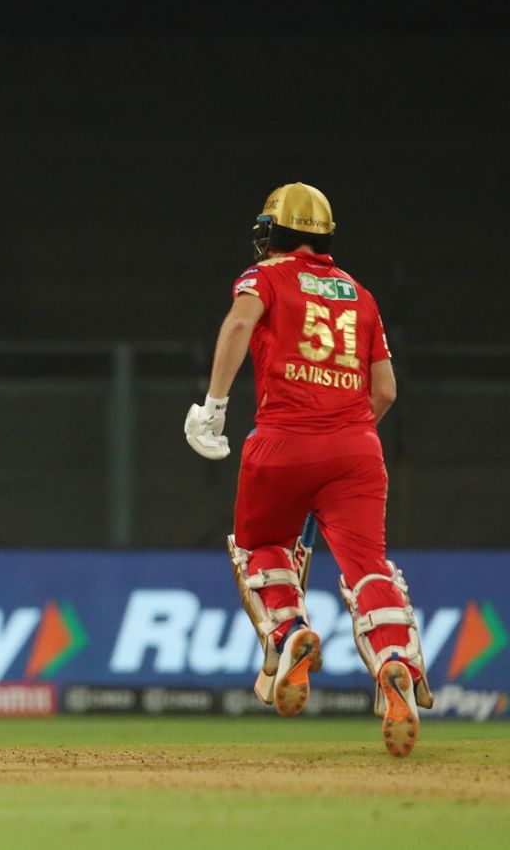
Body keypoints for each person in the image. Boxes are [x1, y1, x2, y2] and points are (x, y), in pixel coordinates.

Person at [183, 182, 432, 758]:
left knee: (263, 547)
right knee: (368, 567)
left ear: (270, 235)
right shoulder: (360, 295)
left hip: (282, 444)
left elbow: (240, 325)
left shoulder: (264, 278)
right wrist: (342, 428)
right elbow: (386, 390)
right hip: (357, 451)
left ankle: (288, 631)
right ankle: (395, 660)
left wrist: (213, 407)